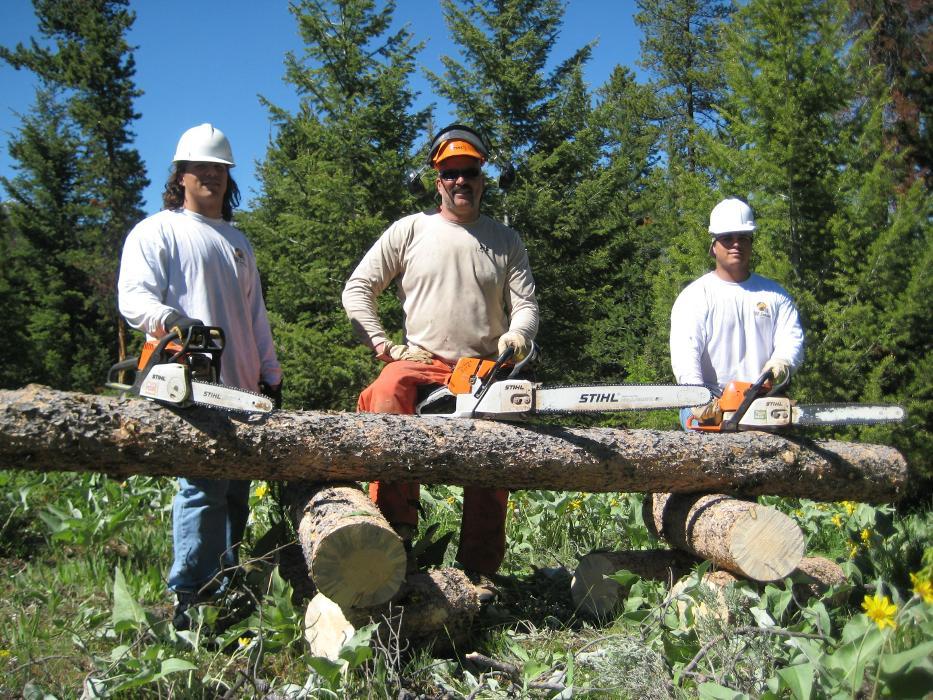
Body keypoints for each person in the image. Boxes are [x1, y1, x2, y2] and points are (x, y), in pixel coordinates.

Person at [342, 124, 538, 598]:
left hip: (484, 368)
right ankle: (394, 534)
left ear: (482, 177)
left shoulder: (504, 239)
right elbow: (358, 290)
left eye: (469, 172)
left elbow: (527, 306)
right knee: (387, 393)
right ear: (437, 180)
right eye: (450, 173)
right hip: (422, 360)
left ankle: (480, 573)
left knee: (495, 448)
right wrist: (384, 345)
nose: (460, 182)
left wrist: (517, 335)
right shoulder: (411, 230)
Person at [117, 123, 282, 629]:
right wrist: (173, 320)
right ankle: (190, 597)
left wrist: (270, 373)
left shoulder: (237, 241)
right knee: (202, 489)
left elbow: (255, 315)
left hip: (239, 384)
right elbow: (134, 298)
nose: (210, 176)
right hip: (187, 382)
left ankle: (227, 586)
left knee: (234, 493)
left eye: (219, 169)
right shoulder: (158, 230)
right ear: (181, 174)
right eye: (201, 168)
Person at [670, 197, 804, 427]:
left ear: (751, 243)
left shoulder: (775, 295)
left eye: (743, 237)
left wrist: (782, 362)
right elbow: (686, 352)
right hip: (710, 401)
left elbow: (791, 338)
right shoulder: (695, 296)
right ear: (714, 246)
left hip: (761, 401)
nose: (736, 244)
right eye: (727, 238)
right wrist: (698, 397)